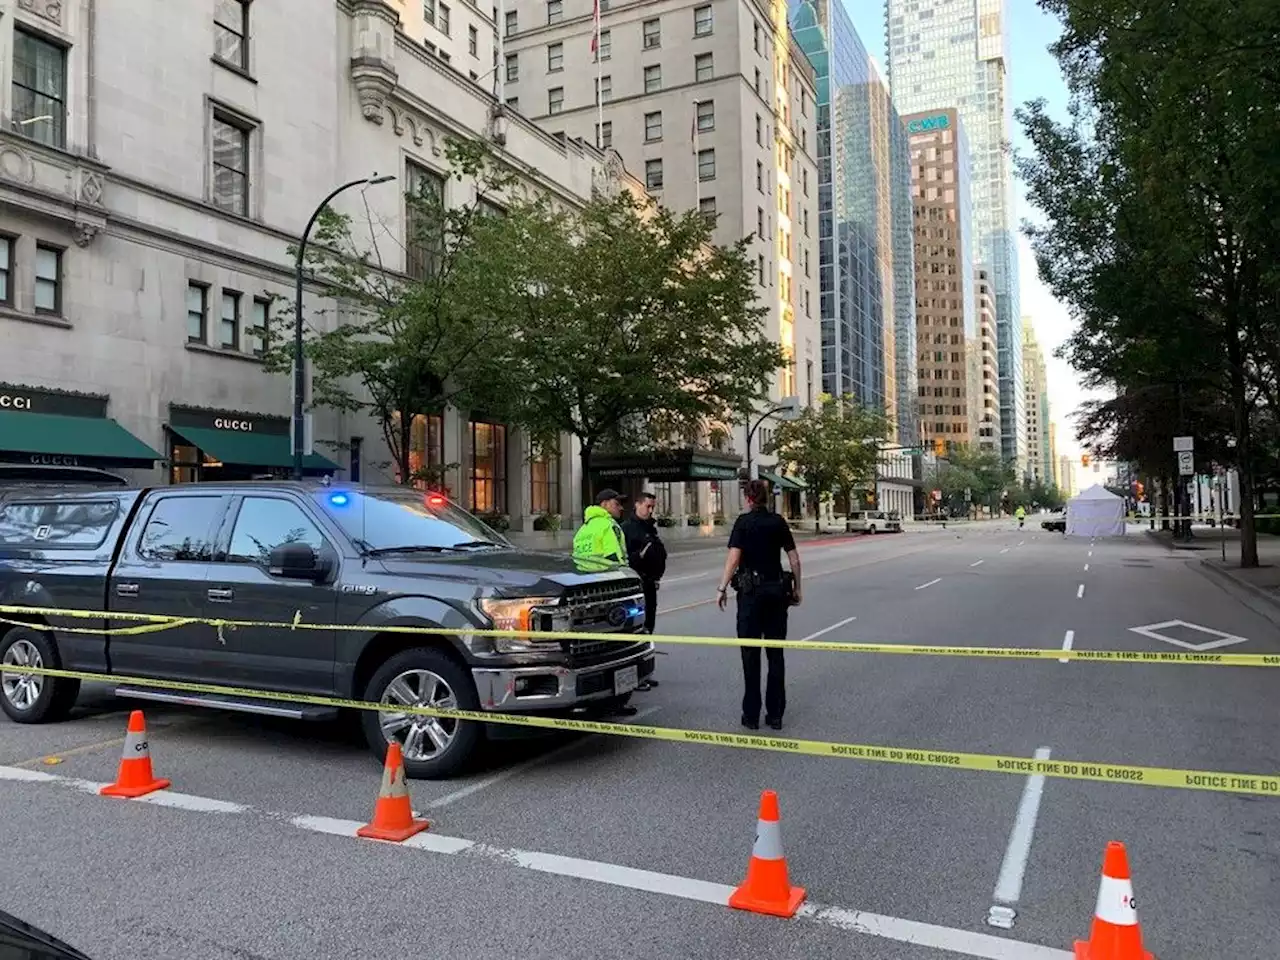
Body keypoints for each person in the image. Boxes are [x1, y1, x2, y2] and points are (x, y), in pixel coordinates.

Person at [716, 479, 802, 731]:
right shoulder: (778, 522)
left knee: (750, 656)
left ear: (749, 499)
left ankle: (751, 715)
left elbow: (734, 557)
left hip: (750, 596)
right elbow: (794, 559)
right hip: (776, 593)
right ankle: (775, 715)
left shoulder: (743, 523)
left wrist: (722, 588)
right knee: (776, 654)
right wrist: (798, 588)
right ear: (765, 498)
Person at [622, 492, 667, 691]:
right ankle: (634, 675)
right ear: (637, 504)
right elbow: (625, 558)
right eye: (647, 506)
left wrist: (657, 576)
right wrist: (639, 556)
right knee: (636, 629)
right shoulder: (627, 529)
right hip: (635, 586)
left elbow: (658, 554)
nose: (650, 510)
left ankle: (645, 672)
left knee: (648, 626)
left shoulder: (650, 528)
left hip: (650, 584)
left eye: (652, 507)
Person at [573, 488, 626, 563]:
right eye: (617, 504)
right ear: (604, 504)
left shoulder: (582, 530)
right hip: (608, 573)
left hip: (586, 573)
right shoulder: (608, 525)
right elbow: (613, 556)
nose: (621, 508)